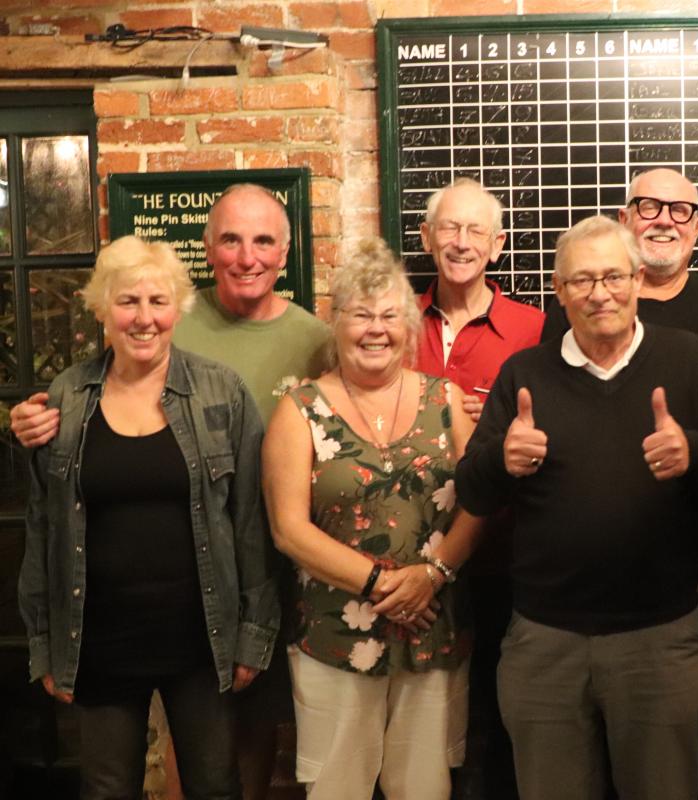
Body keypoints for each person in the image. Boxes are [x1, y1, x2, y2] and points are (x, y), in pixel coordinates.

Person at [9, 182, 331, 800]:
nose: (144, 316)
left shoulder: (221, 392)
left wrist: (250, 634)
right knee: (107, 788)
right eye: (127, 301)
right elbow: (44, 528)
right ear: (102, 309)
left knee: (216, 786)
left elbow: (247, 525)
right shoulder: (67, 399)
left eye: (158, 300)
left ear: (176, 308)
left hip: (201, 638)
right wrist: (45, 643)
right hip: (98, 637)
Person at [455, 215, 698, 800]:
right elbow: (472, 492)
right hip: (544, 643)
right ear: (559, 293)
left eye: (613, 276)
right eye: (581, 280)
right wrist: (501, 462)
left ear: (638, 280)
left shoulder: (688, 359)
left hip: (660, 640)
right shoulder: (525, 373)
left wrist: (693, 452)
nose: (599, 293)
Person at [262, 237, 485, 799]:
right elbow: (288, 529)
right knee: (338, 788)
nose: (375, 329)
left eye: (390, 315)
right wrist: (384, 584)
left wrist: (430, 575)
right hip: (336, 635)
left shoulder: (447, 398)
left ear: (409, 326)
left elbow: (480, 501)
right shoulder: (299, 409)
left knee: (426, 788)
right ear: (336, 323)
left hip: (434, 625)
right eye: (361, 315)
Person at [415, 178, 544, 800]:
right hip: (407, 557)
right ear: (426, 239)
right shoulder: (393, 321)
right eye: (449, 228)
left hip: (500, 557)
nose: (461, 243)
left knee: (495, 721)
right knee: (421, 727)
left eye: (475, 232)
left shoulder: (537, 328)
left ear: (497, 245)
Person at [540, 168, 698, 341]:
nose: (664, 221)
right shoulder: (580, 302)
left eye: (679, 210)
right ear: (624, 220)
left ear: (696, 227)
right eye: (649, 207)